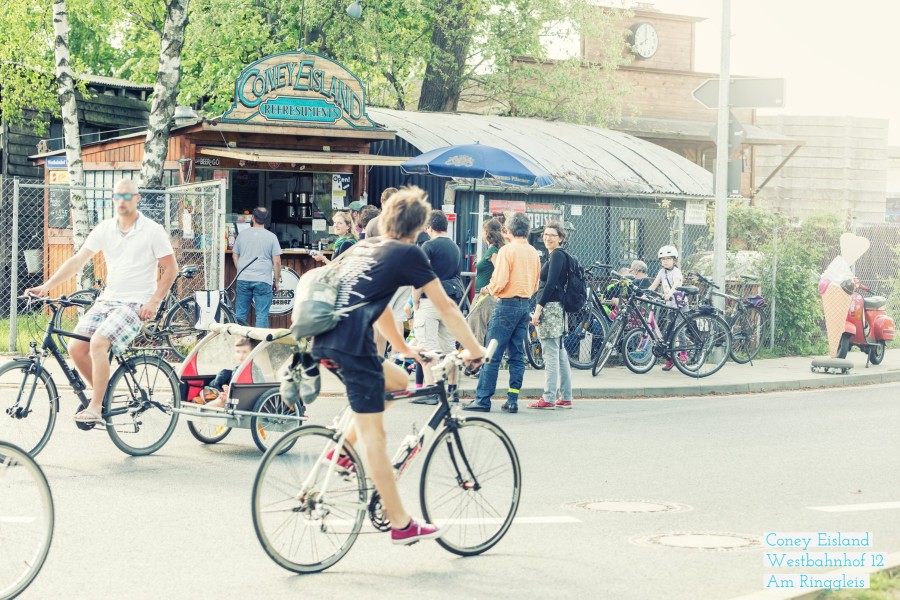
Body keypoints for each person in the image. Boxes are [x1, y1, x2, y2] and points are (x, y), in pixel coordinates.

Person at [310, 186, 486, 545]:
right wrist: (475, 349)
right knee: (376, 436)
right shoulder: (407, 253)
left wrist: (405, 346)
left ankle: (340, 450)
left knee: (399, 379)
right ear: (419, 227)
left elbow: (381, 306)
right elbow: (449, 309)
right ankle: (401, 523)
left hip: (325, 339)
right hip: (353, 349)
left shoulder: (364, 247)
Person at [24, 179, 177, 426]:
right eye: (118, 196)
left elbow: (171, 269)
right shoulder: (105, 228)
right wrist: (46, 287)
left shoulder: (152, 230)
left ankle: (95, 406)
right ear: (113, 199)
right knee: (75, 347)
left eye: (127, 196)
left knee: (98, 343)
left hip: (135, 304)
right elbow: (77, 261)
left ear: (137, 198)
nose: (122, 201)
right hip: (107, 300)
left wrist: (154, 301)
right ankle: (104, 394)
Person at [463, 212, 540, 414]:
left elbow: (500, 281)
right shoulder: (533, 252)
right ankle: (512, 399)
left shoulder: (507, 251)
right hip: (525, 305)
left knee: (492, 355)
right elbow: (535, 284)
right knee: (516, 355)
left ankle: (483, 400)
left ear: (509, 230)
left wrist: (489, 289)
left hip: (506, 305)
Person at [412, 210, 462, 401]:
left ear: (429, 228)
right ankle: (452, 390)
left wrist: (415, 299)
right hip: (450, 302)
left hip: (429, 301)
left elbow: (420, 274)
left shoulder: (428, 245)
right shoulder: (455, 247)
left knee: (428, 348)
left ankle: (432, 391)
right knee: (449, 348)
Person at [528, 221, 574, 410]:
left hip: (551, 308)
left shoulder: (557, 256)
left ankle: (548, 397)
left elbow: (551, 284)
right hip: (558, 308)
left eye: (552, 235)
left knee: (551, 353)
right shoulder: (558, 256)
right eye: (545, 235)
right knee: (560, 352)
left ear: (561, 238)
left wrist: (539, 308)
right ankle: (566, 396)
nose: (547, 238)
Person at [233, 207, 282, 328]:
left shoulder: (242, 235)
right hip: (263, 280)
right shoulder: (272, 237)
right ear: (266, 220)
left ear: (253, 218)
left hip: (243, 279)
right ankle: (260, 344)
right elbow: (276, 262)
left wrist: (240, 271)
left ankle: (238, 343)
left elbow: (235, 255)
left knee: (240, 314)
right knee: (261, 315)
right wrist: (276, 281)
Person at [467, 218, 505, 345]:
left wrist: (490, 287)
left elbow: (499, 271)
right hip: (482, 294)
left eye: (483, 231)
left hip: (485, 296)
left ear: (487, 232)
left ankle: (476, 362)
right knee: (476, 328)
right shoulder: (491, 250)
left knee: (476, 330)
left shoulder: (493, 250)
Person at [649, 245, 685, 371]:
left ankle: (684, 353)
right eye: (663, 259)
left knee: (679, 330)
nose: (665, 261)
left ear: (674, 260)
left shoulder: (676, 272)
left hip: (680, 305)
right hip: (670, 306)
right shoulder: (661, 272)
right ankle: (670, 359)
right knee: (668, 333)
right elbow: (654, 285)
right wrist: (644, 294)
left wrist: (669, 293)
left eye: (668, 258)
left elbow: (676, 284)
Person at [197, 336, 254, 408]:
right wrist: (226, 391)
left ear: (251, 354)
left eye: (244, 352)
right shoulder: (238, 368)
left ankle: (201, 411)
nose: (241, 355)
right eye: (238, 352)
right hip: (234, 397)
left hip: (245, 400)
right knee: (215, 394)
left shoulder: (252, 370)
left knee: (220, 401)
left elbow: (249, 390)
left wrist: (228, 394)